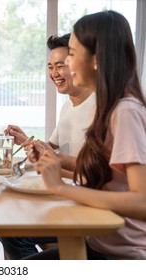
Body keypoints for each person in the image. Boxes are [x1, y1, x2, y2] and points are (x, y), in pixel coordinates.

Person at [28, 10, 146, 259]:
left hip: (123, 255)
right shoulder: (109, 106)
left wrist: (59, 187)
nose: (66, 65)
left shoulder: (125, 111)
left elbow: (141, 203)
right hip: (98, 241)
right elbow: (109, 175)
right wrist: (56, 160)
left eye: (71, 54)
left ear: (97, 58)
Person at [0, 34, 96, 259]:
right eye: (50, 67)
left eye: (60, 66)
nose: (54, 73)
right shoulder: (67, 107)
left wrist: (50, 167)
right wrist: (25, 141)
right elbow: (50, 148)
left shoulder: (98, 108)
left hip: (82, 202)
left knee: (10, 229)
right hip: (66, 196)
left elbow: (91, 172)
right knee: (5, 220)